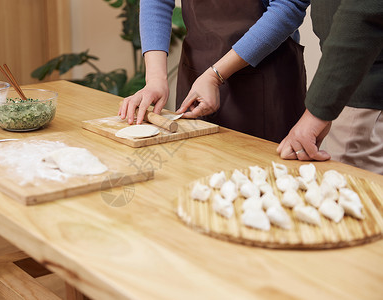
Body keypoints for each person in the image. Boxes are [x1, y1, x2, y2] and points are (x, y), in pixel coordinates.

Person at [119, 0, 311, 143]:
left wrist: (214, 75)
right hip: (195, 77)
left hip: (267, 85)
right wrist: (155, 78)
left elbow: (288, 6)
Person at [277, 0, 383, 175]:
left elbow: (366, 10)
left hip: (365, 90)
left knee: (356, 194)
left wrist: (318, 110)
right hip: (357, 85)